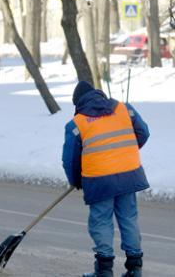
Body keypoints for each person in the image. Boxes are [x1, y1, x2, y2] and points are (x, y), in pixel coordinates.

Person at [62, 81, 150, 277]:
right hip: (129, 174)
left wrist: (76, 180)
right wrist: (123, 153)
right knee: (129, 218)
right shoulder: (124, 109)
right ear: (98, 94)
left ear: (78, 104)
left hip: (99, 180)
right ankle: (135, 270)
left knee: (101, 222)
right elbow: (143, 132)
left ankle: (104, 272)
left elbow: (70, 160)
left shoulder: (77, 124)